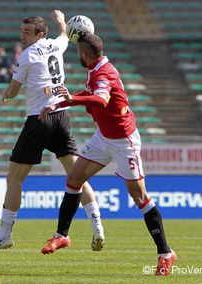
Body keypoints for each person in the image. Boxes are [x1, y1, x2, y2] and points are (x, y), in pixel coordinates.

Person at [39, 34, 177, 276]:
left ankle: (165, 253)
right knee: (73, 179)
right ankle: (61, 235)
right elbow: (89, 92)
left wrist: (72, 99)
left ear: (83, 55)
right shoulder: (97, 68)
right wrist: (60, 104)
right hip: (104, 137)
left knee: (139, 196)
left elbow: (101, 99)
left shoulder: (104, 73)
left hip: (124, 141)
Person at [0, 10, 104, 253]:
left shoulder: (28, 55)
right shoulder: (57, 45)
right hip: (61, 116)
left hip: (39, 119)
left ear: (39, 34)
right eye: (21, 32)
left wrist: (5, 93)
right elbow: (63, 35)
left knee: (14, 177)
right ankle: (97, 227)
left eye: (26, 32)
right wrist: (61, 20)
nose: (22, 36)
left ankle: (5, 234)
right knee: (77, 175)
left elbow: (14, 90)